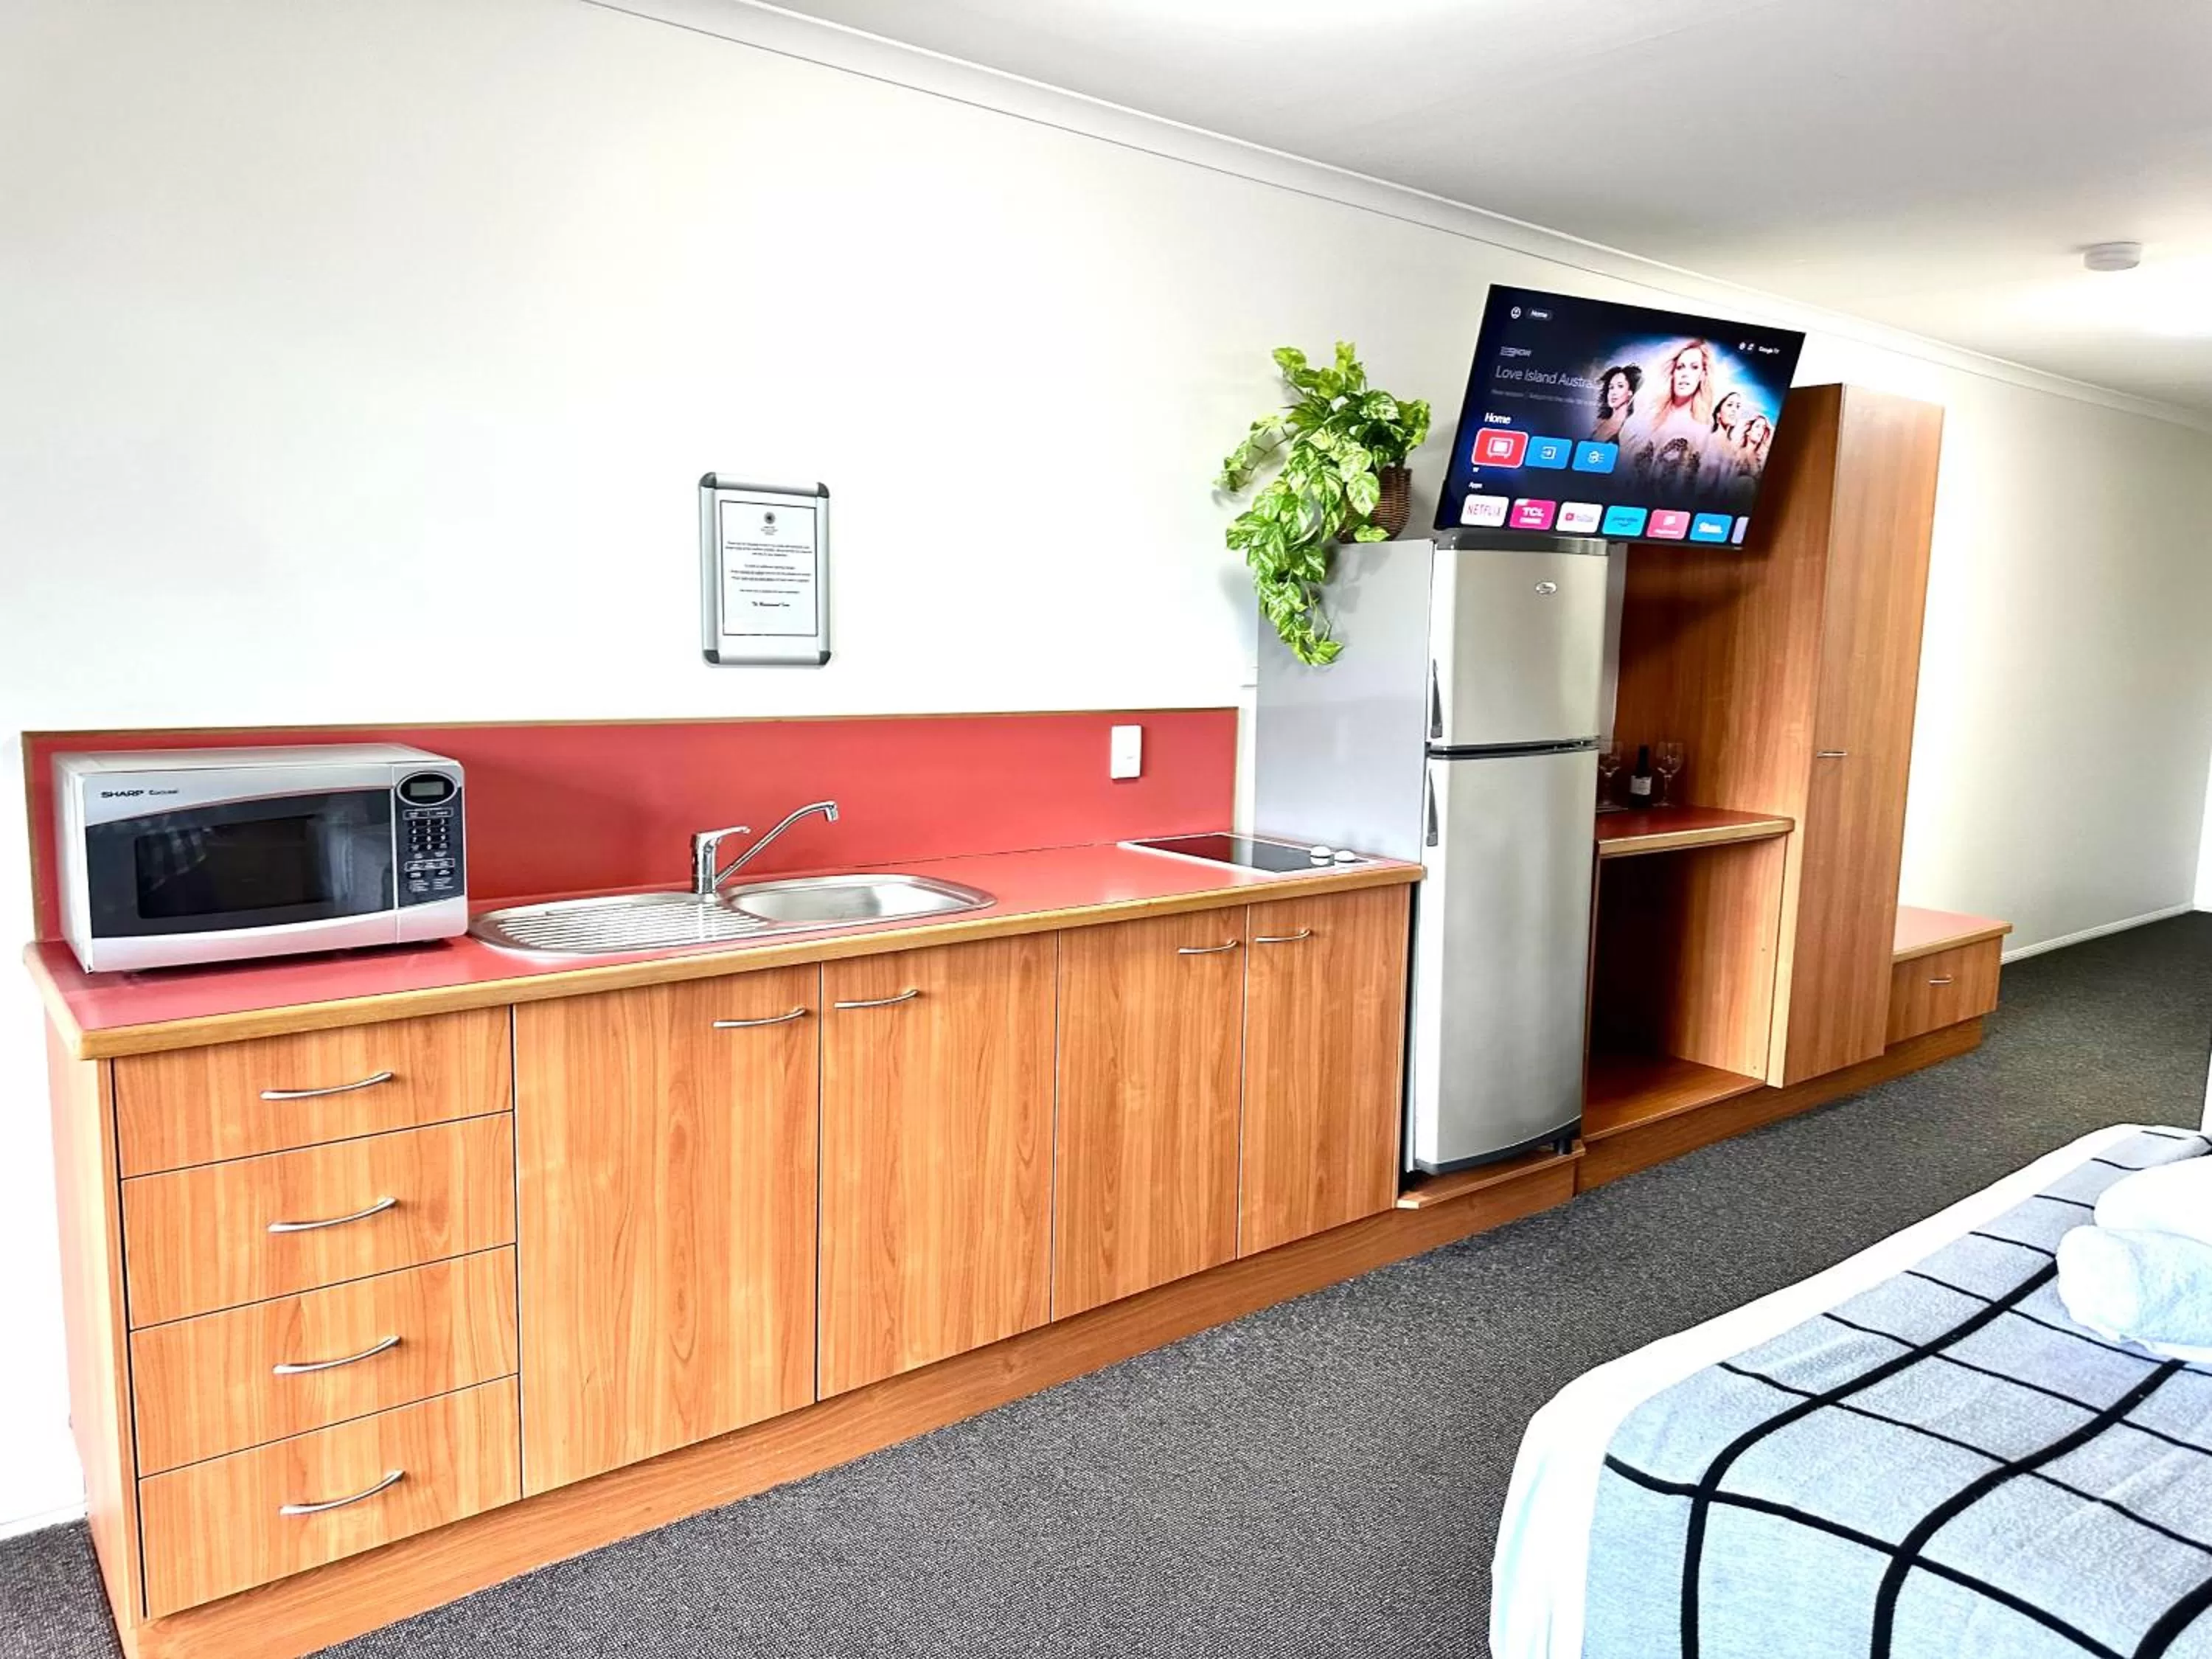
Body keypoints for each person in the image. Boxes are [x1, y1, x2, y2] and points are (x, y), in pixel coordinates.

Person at [1620, 340, 1724, 504]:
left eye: (1694, 367)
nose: (1685, 374)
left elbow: (1705, 493)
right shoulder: (1642, 419)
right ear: (1673, 372)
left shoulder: (1705, 433)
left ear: (1703, 375)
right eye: (1680, 367)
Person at [1589, 364, 1640, 445]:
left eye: (1620, 386)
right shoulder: (1598, 423)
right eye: (1611, 387)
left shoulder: (1631, 430)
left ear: (1631, 392)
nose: (1613, 393)